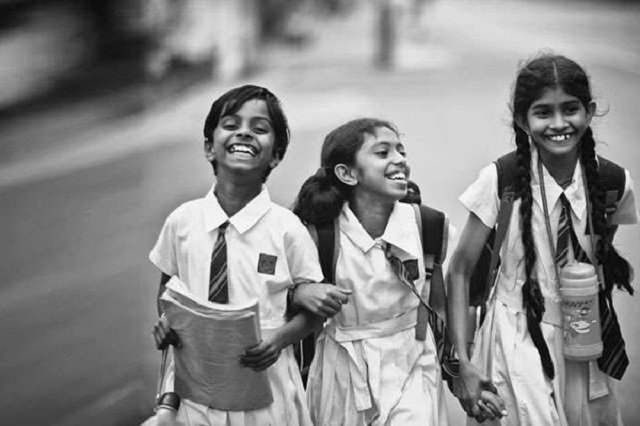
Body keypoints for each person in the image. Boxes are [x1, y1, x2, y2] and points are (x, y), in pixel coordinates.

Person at [447, 53, 638, 425]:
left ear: (590, 110)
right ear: (522, 120)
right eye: (543, 112)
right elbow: (459, 271)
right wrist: (462, 363)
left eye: (570, 109)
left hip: (585, 334)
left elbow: (601, 245)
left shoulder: (613, 183)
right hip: (515, 334)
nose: (559, 124)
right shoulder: (501, 181)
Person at [148, 85, 324, 425]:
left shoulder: (287, 229)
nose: (244, 132)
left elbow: (315, 313)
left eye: (259, 128)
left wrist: (280, 339)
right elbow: (167, 291)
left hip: (266, 388)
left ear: (274, 156)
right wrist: (168, 323)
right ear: (208, 147)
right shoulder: (182, 222)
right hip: (196, 387)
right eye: (230, 124)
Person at [290, 118, 451, 425]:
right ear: (347, 173)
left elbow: (439, 302)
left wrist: (457, 364)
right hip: (342, 368)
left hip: (414, 360)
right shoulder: (319, 235)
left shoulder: (425, 225)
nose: (399, 159)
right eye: (382, 153)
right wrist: (301, 292)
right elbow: (278, 295)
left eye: (400, 150)